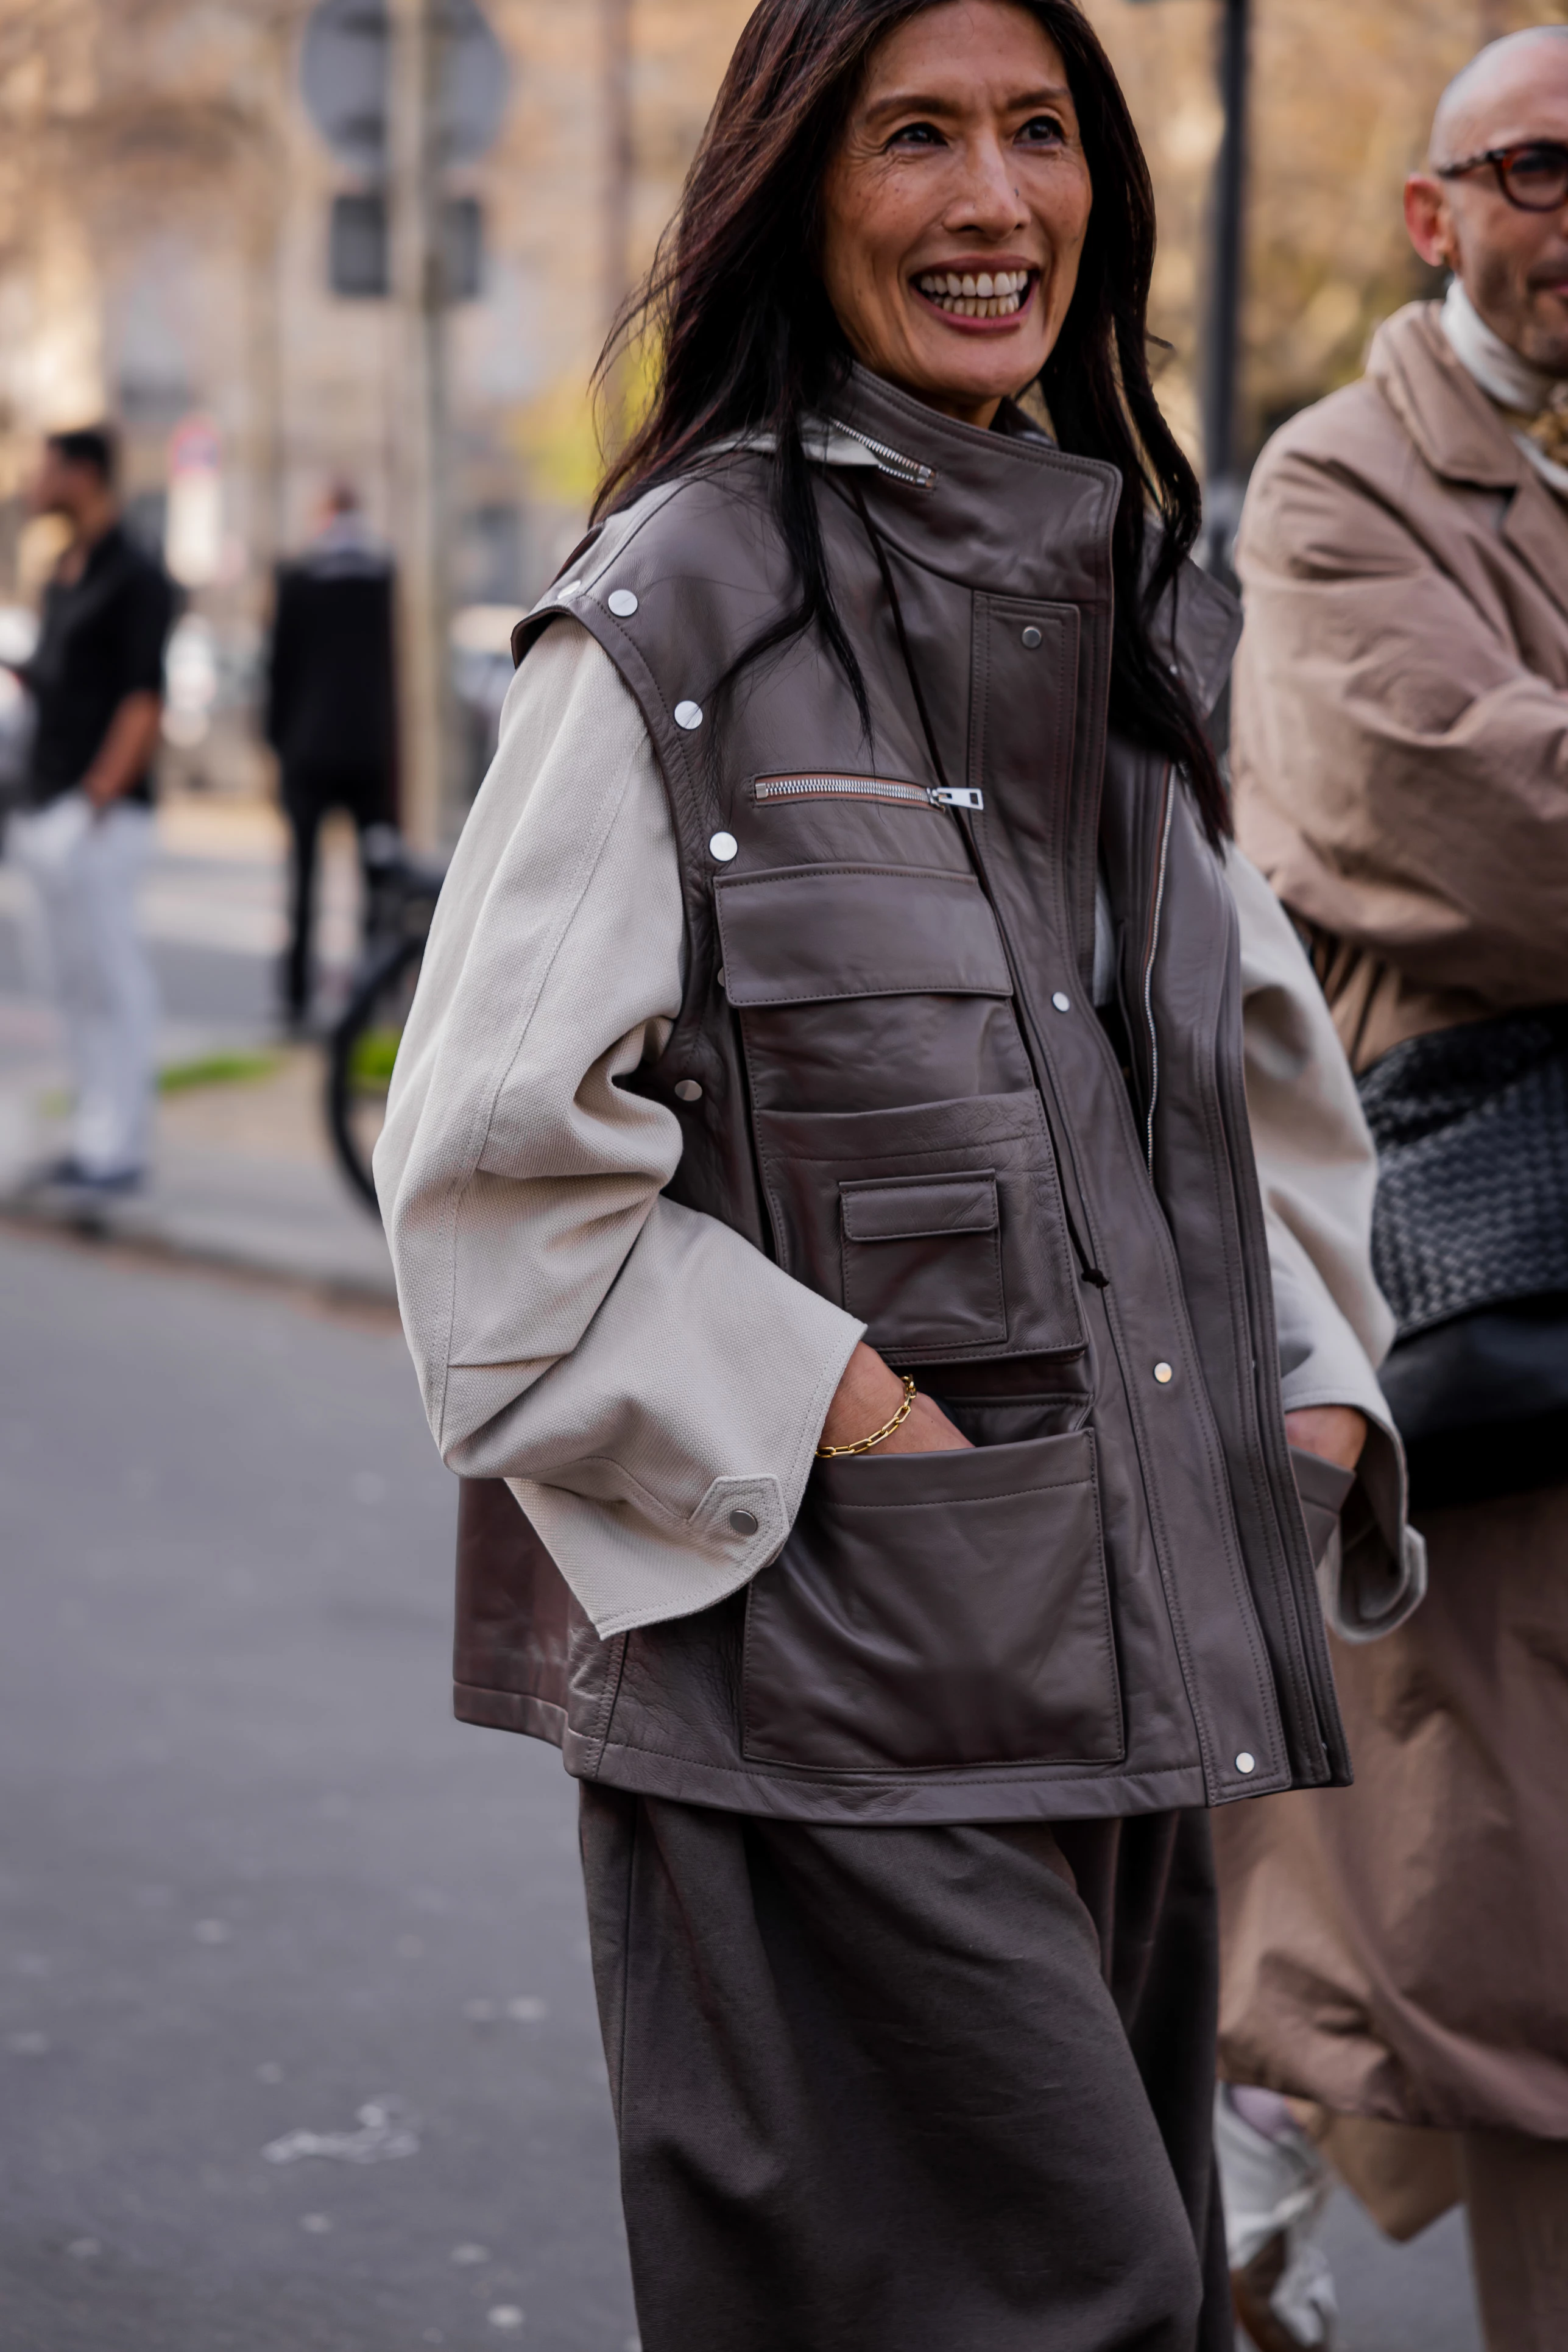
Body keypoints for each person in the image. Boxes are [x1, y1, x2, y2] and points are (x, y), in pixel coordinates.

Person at [376, 4, 1415, 2344]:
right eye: (914, 139)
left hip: (1129, 1687)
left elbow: (1249, 1098)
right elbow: (484, 1175)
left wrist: (1317, 1394)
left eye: (1038, 135)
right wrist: (854, 1419)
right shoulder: (681, 610)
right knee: (1086, 2309)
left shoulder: (1129, 612)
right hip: (827, 1710)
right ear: (793, 190)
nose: (992, 204)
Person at [1221, 27, 1568, 2352]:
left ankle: (1272, 2129)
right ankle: (1257, 2128)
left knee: (1489, 1895)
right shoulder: (1337, 485)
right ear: (1438, 213)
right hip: (1499, 1254)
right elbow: (1466, 820)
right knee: (1489, 1883)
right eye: (1543, 167)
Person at [4, 425, 175, 1195]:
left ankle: (122, 1148)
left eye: (46, 470)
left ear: (84, 475)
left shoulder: (136, 574)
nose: (34, 484)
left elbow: (143, 700)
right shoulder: (62, 575)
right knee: (69, 985)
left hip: (100, 816)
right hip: (45, 805)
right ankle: (89, 1134)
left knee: (113, 981)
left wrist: (95, 799)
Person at [263, 482, 396, 1029]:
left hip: (308, 750)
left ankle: (297, 1000)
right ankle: (370, 994)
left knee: (303, 879)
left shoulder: (298, 578)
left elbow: (279, 671)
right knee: (377, 878)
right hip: (370, 749)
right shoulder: (383, 579)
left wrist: (277, 745)